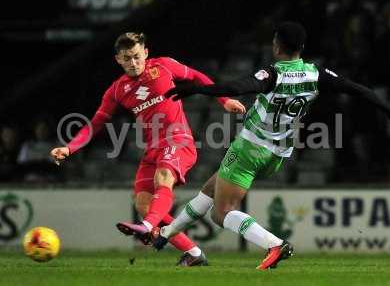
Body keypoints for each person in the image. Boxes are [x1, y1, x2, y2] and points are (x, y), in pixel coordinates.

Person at [151, 22, 390, 270]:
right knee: (210, 189)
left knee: (221, 213)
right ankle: (167, 232)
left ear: (277, 46)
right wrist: (388, 110)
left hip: (249, 149)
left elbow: (239, 87)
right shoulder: (316, 74)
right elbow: (358, 89)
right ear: (301, 48)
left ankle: (275, 244)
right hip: (279, 153)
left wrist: (199, 89)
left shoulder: (274, 74)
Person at [50, 32, 246, 266]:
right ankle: (194, 253)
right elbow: (95, 124)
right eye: (127, 58)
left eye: (136, 56)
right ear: (118, 60)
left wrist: (225, 100)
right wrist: (69, 148)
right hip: (152, 148)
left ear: (145, 52)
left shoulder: (163, 66)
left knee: (162, 178)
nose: (133, 63)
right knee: (143, 204)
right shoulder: (116, 90)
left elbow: (197, 76)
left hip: (178, 140)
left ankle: (146, 227)